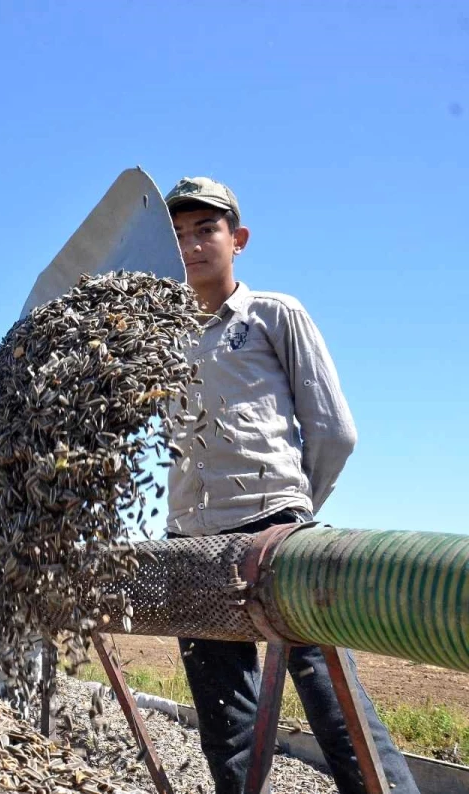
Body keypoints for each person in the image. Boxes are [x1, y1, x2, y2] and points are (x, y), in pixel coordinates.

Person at [163, 177, 417, 793]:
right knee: (227, 729)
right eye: (176, 234)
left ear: (237, 239)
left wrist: (291, 512)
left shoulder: (274, 315)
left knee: (334, 704)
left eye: (206, 229)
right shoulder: (157, 340)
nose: (191, 245)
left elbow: (334, 431)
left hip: (274, 535)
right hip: (192, 542)